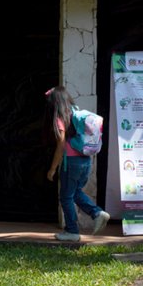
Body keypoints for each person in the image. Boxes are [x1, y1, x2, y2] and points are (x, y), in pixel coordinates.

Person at [45, 86, 110, 242]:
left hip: (71, 163)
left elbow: (61, 145)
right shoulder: (76, 112)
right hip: (85, 161)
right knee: (75, 192)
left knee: (66, 197)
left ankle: (72, 231)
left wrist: (52, 168)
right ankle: (97, 213)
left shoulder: (61, 117)